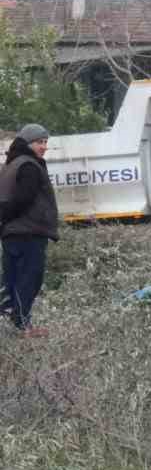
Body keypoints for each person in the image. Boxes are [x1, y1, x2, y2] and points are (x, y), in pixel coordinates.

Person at [0, 124, 59, 335]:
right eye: (39, 142)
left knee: (13, 279)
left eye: (45, 142)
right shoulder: (29, 166)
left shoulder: (11, 164)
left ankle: (14, 323)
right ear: (28, 143)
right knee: (30, 278)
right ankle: (22, 325)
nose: (44, 147)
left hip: (12, 233)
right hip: (28, 232)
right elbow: (23, 199)